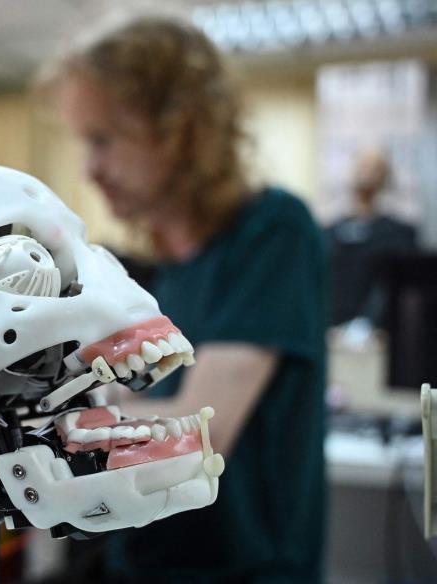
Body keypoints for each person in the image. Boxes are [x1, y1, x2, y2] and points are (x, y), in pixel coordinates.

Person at [40, 16, 328, 583]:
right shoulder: (169, 269)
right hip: (147, 561)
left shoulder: (272, 233)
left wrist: (45, 427)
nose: (89, 169)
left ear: (179, 130)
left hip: (243, 571)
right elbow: (125, 397)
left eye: (103, 140)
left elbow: (201, 432)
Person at [326, 149, 418, 326]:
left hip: (380, 334)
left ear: (385, 177)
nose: (366, 173)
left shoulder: (400, 234)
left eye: (375, 168)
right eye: (362, 166)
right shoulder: (328, 233)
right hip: (331, 329)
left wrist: (367, 324)